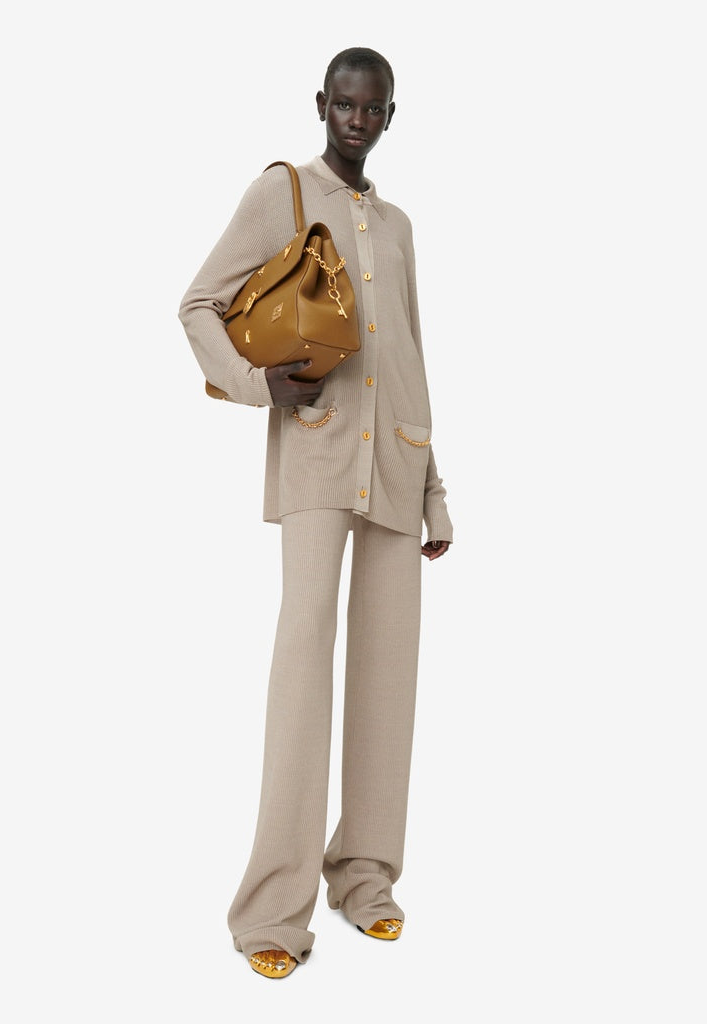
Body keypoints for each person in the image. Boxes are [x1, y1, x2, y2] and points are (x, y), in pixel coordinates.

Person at [178, 46, 453, 979]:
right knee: (303, 665)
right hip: (319, 452)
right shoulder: (281, 194)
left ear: (390, 116)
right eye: (344, 103)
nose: (357, 119)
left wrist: (435, 491)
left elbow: (409, 353)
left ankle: (366, 879)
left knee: (388, 675)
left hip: (397, 463)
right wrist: (256, 385)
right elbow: (198, 304)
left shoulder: (400, 225)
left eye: (372, 108)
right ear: (322, 104)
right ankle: (270, 910)